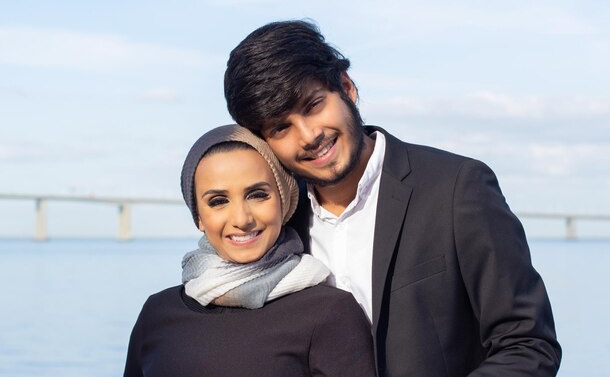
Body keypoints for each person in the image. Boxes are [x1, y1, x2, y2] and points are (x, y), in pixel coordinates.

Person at [223, 20, 562, 377]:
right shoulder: (278, 222)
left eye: (313, 106)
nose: (308, 136)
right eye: (281, 127)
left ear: (347, 87)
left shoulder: (458, 188)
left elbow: (528, 344)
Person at [123, 124, 376, 377]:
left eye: (257, 195)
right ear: (198, 217)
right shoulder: (156, 315)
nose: (241, 219)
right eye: (218, 201)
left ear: (283, 201)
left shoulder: (330, 313)